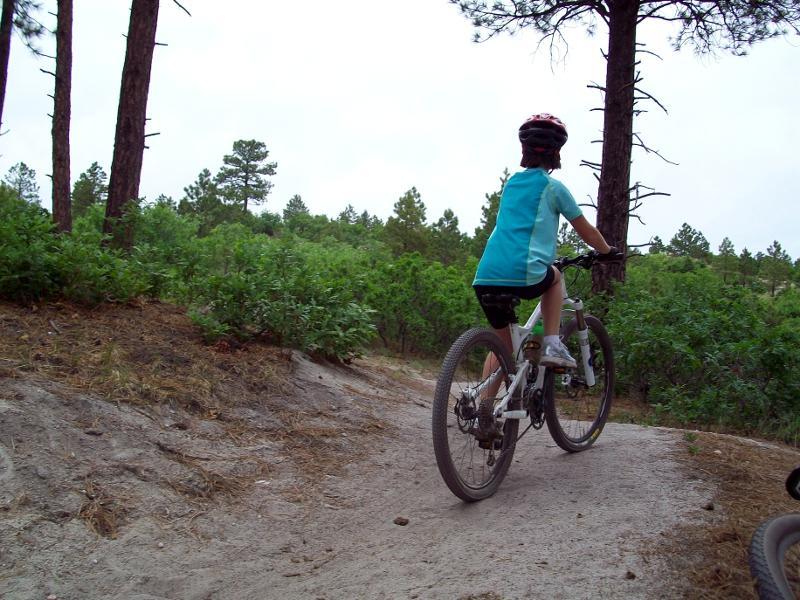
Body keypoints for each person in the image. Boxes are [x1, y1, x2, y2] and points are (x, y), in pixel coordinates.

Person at [473, 113, 617, 370]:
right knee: (556, 277)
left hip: (486, 276)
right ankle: (552, 343)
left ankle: (484, 404)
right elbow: (587, 231)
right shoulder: (553, 187)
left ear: (524, 150)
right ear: (556, 153)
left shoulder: (511, 183)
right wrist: (607, 251)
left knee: (503, 346)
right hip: (524, 272)